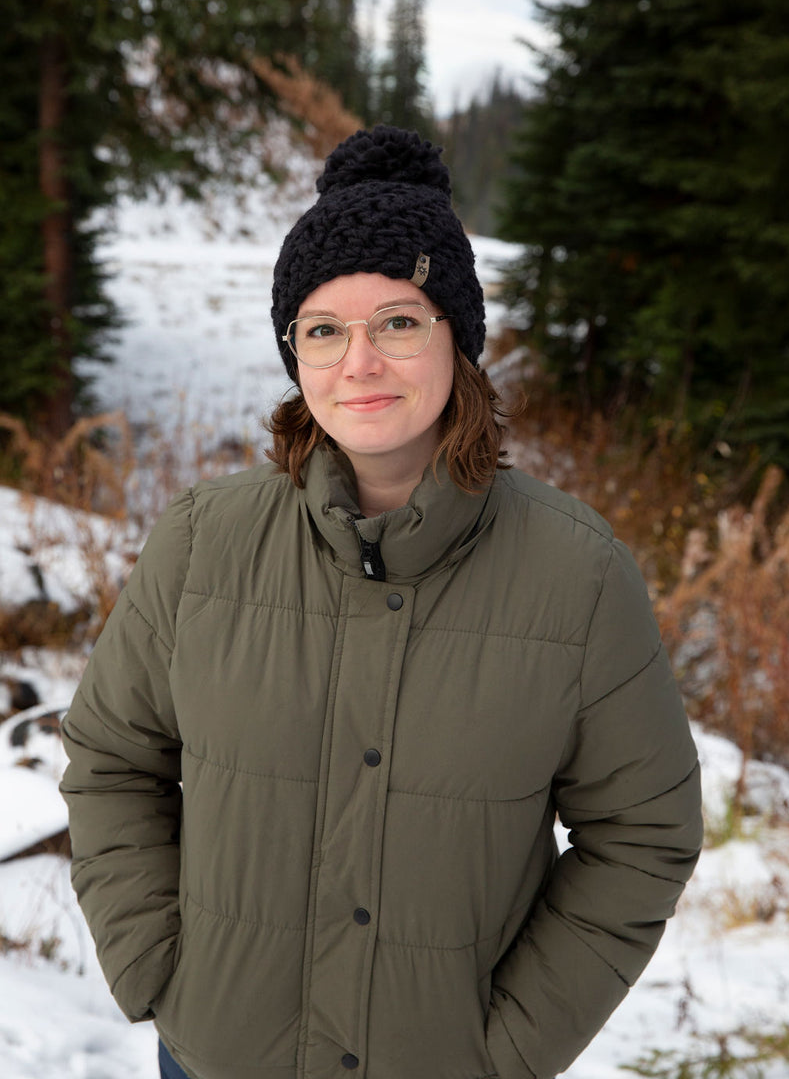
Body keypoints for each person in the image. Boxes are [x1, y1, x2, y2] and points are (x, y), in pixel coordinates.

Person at [60, 124, 703, 1079]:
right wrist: (157, 966)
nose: (359, 362)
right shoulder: (204, 543)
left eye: (398, 321)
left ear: (458, 338)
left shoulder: (577, 574)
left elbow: (644, 830)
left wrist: (512, 1044)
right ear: (296, 355)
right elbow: (113, 759)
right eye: (324, 329)